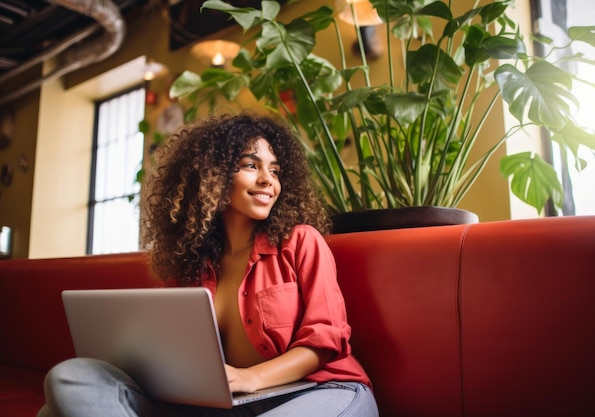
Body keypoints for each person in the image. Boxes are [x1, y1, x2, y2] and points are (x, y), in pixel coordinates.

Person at [37, 113, 379, 417]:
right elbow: (173, 356)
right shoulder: (190, 266)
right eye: (250, 165)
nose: (267, 180)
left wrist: (250, 377)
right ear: (213, 175)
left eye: (274, 170)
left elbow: (325, 341)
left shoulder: (300, 241)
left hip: (320, 392)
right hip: (227, 405)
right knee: (71, 380)